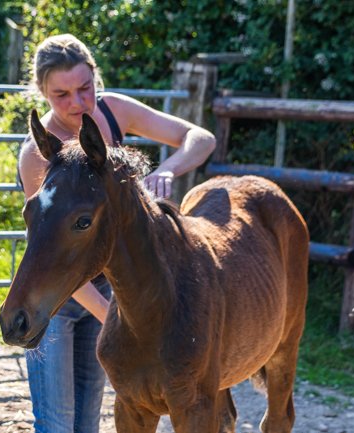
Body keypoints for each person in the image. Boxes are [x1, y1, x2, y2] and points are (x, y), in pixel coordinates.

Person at [17, 33, 216, 433]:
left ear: (95, 76)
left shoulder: (112, 112)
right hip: (57, 293)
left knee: (88, 423)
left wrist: (168, 170)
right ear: (42, 93)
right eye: (61, 95)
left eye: (84, 87)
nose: (77, 102)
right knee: (56, 424)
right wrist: (116, 317)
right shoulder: (38, 154)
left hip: (113, 289)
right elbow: (50, 245)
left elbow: (201, 139)